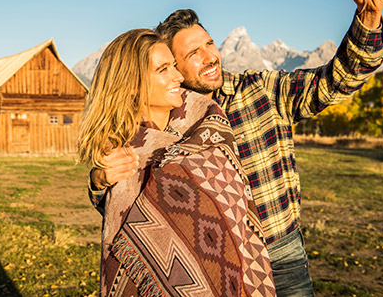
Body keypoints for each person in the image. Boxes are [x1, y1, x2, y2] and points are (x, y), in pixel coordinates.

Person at [88, 0, 383, 296]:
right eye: (192, 54)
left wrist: (369, 16)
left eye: (210, 44)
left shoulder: (259, 90)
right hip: (209, 262)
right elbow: (129, 201)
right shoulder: (162, 117)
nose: (210, 57)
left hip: (281, 253)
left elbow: (337, 80)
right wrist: (100, 179)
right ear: (174, 65)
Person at [79, 29, 276, 296]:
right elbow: (122, 217)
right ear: (131, 83)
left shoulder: (208, 120)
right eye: (163, 69)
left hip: (231, 269)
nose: (179, 76)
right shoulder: (121, 149)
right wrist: (99, 182)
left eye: (174, 65)